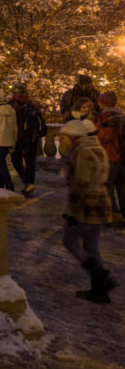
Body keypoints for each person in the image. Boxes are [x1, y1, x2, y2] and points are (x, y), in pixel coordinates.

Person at [59, 119, 115, 303]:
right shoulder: (97, 148)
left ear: (74, 137)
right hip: (100, 201)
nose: (64, 141)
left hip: (85, 204)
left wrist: (71, 211)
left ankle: (99, 275)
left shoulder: (82, 152)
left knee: (69, 240)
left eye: (65, 137)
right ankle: (99, 290)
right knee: (92, 246)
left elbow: (80, 184)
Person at [8, 83, 47, 196]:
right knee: (29, 162)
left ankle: (27, 183)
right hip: (31, 138)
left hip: (19, 138)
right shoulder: (33, 106)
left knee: (17, 161)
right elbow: (41, 122)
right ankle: (29, 183)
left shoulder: (11, 106)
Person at [95, 92, 125, 222]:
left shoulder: (107, 117)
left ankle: (113, 215)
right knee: (122, 188)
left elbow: (105, 137)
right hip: (122, 157)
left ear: (103, 103)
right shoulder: (121, 115)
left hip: (110, 157)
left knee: (108, 188)